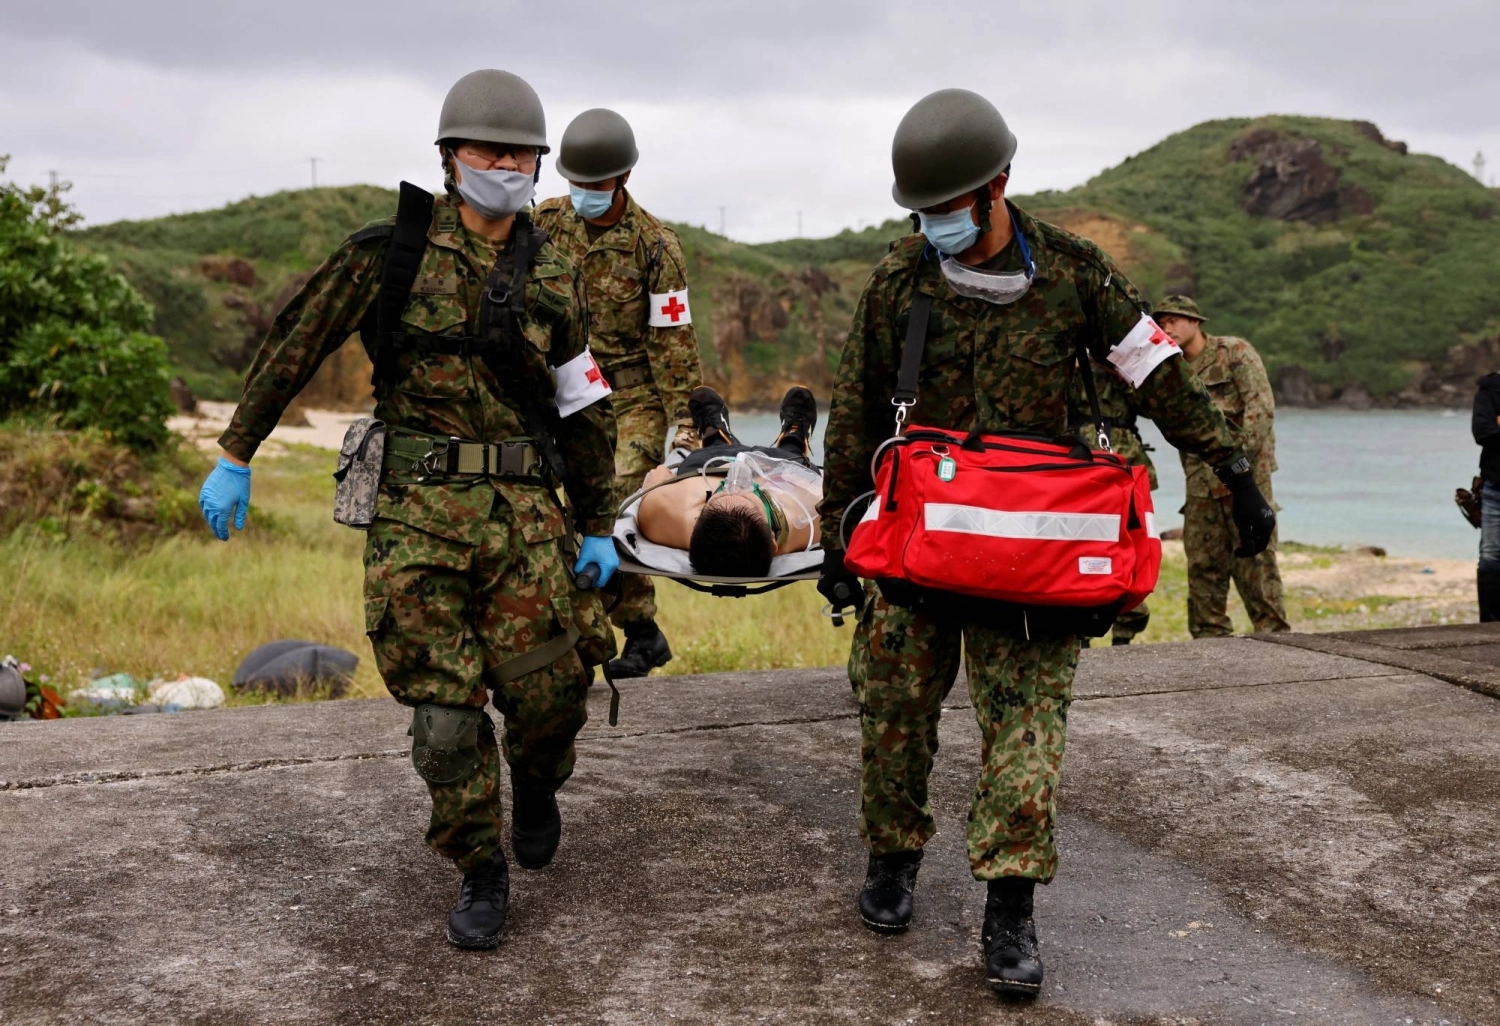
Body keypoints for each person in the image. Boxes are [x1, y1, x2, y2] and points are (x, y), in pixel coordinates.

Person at [816, 89, 1274, 998]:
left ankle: (1010, 906)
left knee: (1027, 735)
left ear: (999, 186)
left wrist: (1231, 470)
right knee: (892, 714)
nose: (936, 224)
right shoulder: (897, 283)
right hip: (917, 550)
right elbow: (855, 410)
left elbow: (1162, 380)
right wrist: (840, 533)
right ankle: (893, 858)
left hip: (1035, 556)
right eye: (924, 211)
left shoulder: (1077, 277)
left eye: (950, 207)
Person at [194, 69, 620, 952]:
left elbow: (584, 405)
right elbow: (296, 340)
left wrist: (596, 521)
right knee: (447, 716)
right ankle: (479, 867)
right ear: (448, 157)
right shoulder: (388, 252)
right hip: (417, 521)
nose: (503, 164)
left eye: (519, 152)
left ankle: (538, 783)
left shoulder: (554, 275)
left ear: (539, 164)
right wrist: (237, 451)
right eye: (486, 149)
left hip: (524, 524)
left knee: (551, 692)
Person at [535, 108, 704, 681]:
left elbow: (673, 344)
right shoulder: (546, 224)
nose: (583, 193)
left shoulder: (656, 246)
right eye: (575, 182)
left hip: (630, 399)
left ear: (623, 179)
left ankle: (630, 630)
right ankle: (635, 630)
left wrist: (686, 426)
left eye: (595, 184)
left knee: (608, 501)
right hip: (562, 391)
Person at [1156, 296, 1290, 637]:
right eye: (1162, 321)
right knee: (1203, 566)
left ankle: (1275, 638)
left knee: (1257, 563)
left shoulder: (1233, 352)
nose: (1168, 326)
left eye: (1175, 319)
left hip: (1246, 479)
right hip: (1200, 483)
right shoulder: (1171, 368)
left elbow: (1261, 409)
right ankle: (1208, 647)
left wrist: (1238, 464)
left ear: (1196, 321)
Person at [635, 385, 821, 577]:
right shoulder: (808, 520)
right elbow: (829, 497)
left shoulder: (663, 516)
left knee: (701, 457)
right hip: (780, 471)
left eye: (716, 497)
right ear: (773, 539)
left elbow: (657, 475)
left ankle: (715, 434)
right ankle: (794, 437)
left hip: (712, 465)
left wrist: (658, 484)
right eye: (749, 498)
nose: (735, 481)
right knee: (794, 458)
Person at [1067, 357, 1158, 645]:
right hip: (1075, 460)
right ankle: (1079, 626)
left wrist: (1120, 369)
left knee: (1130, 545)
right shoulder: (1062, 358)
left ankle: (1126, 628)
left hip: (1122, 459)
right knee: (1076, 546)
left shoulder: (1122, 359)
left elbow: (1151, 404)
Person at [1469, 371, 1500, 619]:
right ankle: (1489, 626)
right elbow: (1482, 431)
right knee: (1490, 559)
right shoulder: (1490, 388)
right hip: (1495, 486)